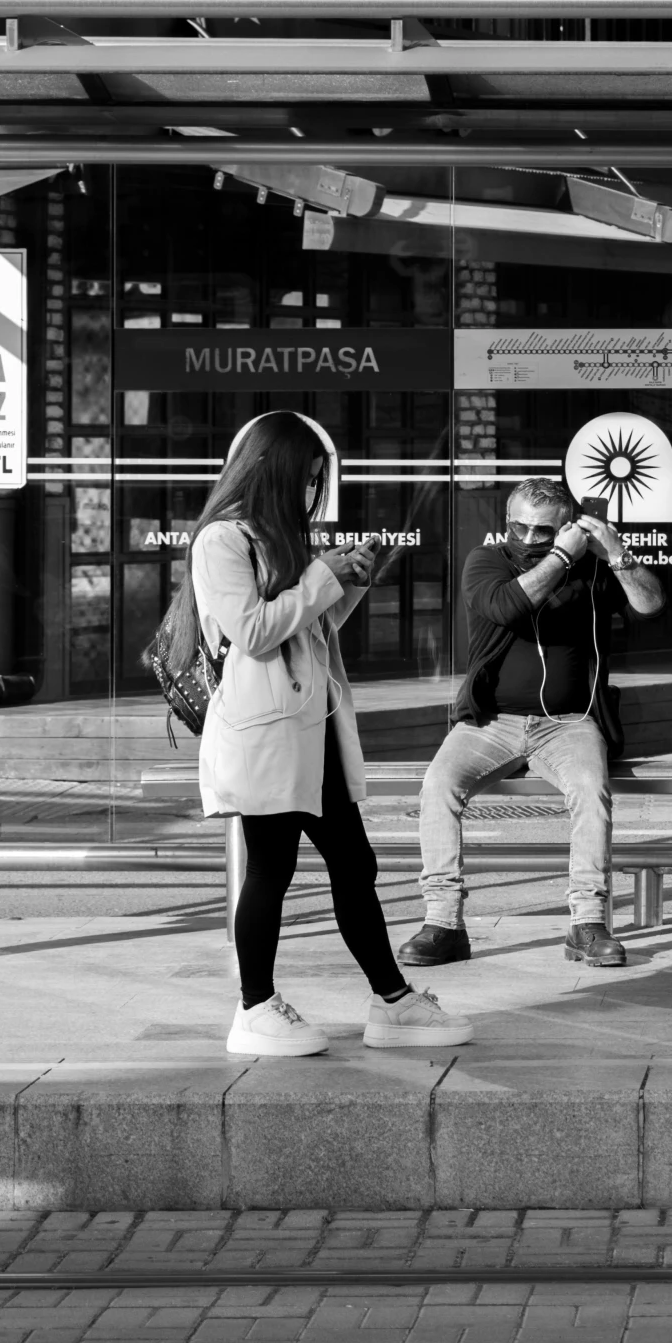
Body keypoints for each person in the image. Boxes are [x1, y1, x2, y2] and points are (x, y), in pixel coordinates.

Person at [175, 410, 473, 1055]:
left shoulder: (278, 536)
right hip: (267, 731)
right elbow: (253, 631)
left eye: (317, 480)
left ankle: (392, 1002)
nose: (311, 492)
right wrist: (321, 575)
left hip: (316, 727)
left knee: (353, 863)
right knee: (272, 867)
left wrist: (349, 582)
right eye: (305, 478)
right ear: (272, 472)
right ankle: (255, 1007)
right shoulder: (221, 541)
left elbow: (308, 626)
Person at [398, 477, 664, 969]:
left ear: (568, 526)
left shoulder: (592, 570)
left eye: (542, 531)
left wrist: (618, 554)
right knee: (438, 786)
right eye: (517, 525)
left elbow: (650, 605)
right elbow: (506, 606)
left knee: (590, 788)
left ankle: (588, 924)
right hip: (491, 722)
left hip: (568, 723)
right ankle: (443, 923)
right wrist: (559, 558)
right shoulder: (487, 561)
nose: (526, 537)